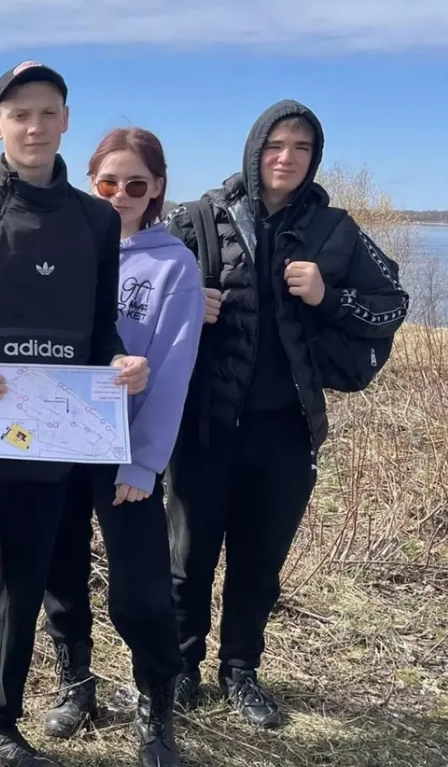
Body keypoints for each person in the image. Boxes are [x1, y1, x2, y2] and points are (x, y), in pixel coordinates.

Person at [0, 61, 150, 767]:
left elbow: (101, 329)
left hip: (48, 442)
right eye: (20, 114)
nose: (34, 126)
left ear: (66, 120)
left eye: (48, 112)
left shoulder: (95, 219)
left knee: (19, 592)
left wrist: (121, 363)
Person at [163, 100, 409, 729]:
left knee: (259, 560)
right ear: (254, 150)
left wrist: (330, 296)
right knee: (187, 558)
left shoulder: (336, 229)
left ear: (314, 158)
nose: (287, 158)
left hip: (286, 430)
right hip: (203, 425)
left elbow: (392, 303)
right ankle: (182, 668)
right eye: (276, 145)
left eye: (302, 148)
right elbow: (134, 291)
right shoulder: (196, 218)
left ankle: (240, 671)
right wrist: (187, 304)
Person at [34, 128, 202, 767]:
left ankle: (156, 703)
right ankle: (76, 682)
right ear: (90, 181)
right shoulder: (62, 248)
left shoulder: (174, 266)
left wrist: (144, 460)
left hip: (124, 451)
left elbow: (173, 370)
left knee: (140, 586)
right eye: (108, 182)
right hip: (54, 438)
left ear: (156, 188)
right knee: (60, 569)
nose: (121, 194)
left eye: (136, 183)